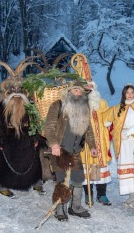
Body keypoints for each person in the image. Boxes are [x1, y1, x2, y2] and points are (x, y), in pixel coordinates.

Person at [44, 81, 96, 222]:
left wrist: (92, 146)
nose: (77, 93)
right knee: (61, 181)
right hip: (59, 150)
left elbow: (89, 130)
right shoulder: (58, 105)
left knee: (79, 178)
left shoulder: (85, 108)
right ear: (68, 91)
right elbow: (48, 127)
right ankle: (60, 209)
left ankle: (75, 206)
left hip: (75, 151)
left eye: (80, 91)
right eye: (74, 90)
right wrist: (54, 144)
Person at [0, 73, 47, 198]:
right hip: (9, 140)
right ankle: (3, 186)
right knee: (6, 162)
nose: (16, 92)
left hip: (27, 138)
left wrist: (36, 138)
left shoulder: (29, 106)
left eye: (19, 90)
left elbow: (35, 123)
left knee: (33, 160)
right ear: (8, 91)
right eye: (13, 90)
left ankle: (36, 183)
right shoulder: (2, 107)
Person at [103, 83, 134, 208]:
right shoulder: (119, 108)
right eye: (127, 92)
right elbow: (105, 120)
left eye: (132, 92)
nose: (130, 95)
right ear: (124, 94)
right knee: (129, 169)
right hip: (124, 143)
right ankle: (132, 195)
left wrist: (130, 130)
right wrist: (108, 123)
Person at [80, 82, 112, 206]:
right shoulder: (81, 103)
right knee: (87, 167)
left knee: (100, 166)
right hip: (86, 141)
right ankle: (88, 194)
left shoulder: (102, 103)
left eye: (91, 86)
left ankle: (102, 194)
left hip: (100, 140)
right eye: (87, 86)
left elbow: (107, 119)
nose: (89, 88)